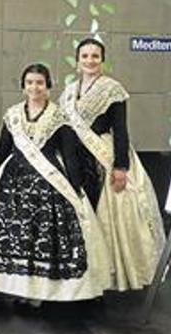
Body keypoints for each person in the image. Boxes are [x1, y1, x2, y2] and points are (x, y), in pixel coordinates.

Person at [0, 63, 109, 306]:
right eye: (29, 82)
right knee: (17, 235)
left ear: (48, 86)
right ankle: (18, 288)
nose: (34, 87)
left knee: (42, 236)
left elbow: (69, 155)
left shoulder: (59, 116)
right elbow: (3, 151)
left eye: (39, 82)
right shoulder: (13, 115)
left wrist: (75, 185)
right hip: (13, 184)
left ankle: (40, 291)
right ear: (23, 86)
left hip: (48, 184)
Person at [59, 38, 165, 291]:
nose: (90, 61)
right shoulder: (69, 91)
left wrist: (120, 166)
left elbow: (120, 129)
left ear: (102, 61)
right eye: (85, 56)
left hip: (103, 155)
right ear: (77, 61)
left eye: (95, 56)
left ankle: (107, 271)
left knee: (105, 212)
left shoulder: (112, 88)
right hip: (74, 157)